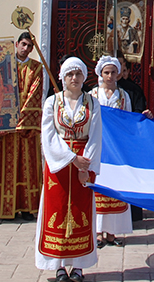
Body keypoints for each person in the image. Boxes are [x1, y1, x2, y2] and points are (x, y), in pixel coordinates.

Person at [37, 57, 101, 282]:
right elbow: (49, 135)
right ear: (63, 78)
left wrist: (86, 166)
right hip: (59, 165)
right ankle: (59, 266)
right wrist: (70, 158)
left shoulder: (92, 103)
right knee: (58, 210)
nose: (74, 78)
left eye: (78, 74)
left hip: (84, 162)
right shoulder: (52, 103)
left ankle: (79, 266)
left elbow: (95, 137)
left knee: (81, 211)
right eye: (69, 74)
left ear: (84, 77)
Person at [0, 32, 43, 221]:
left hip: (25, 129)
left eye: (29, 46)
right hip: (6, 126)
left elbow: (34, 95)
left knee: (28, 166)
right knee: (8, 166)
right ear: (16, 44)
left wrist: (21, 121)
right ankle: (7, 207)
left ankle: (28, 207)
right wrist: (1, 120)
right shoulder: (2, 66)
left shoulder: (36, 68)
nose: (26, 49)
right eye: (23, 44)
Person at [90, 56, 133, 248]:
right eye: (106, 72)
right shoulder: (92, 95)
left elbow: (128, 120)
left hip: (116, 150)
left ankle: (112, 232)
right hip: (99, 149)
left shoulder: (123, 96)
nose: (109, 76)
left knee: (115, 190)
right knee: (99, 190)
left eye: (113, 72)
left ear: (119, 74)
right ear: (100, 73)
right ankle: (98, 232)